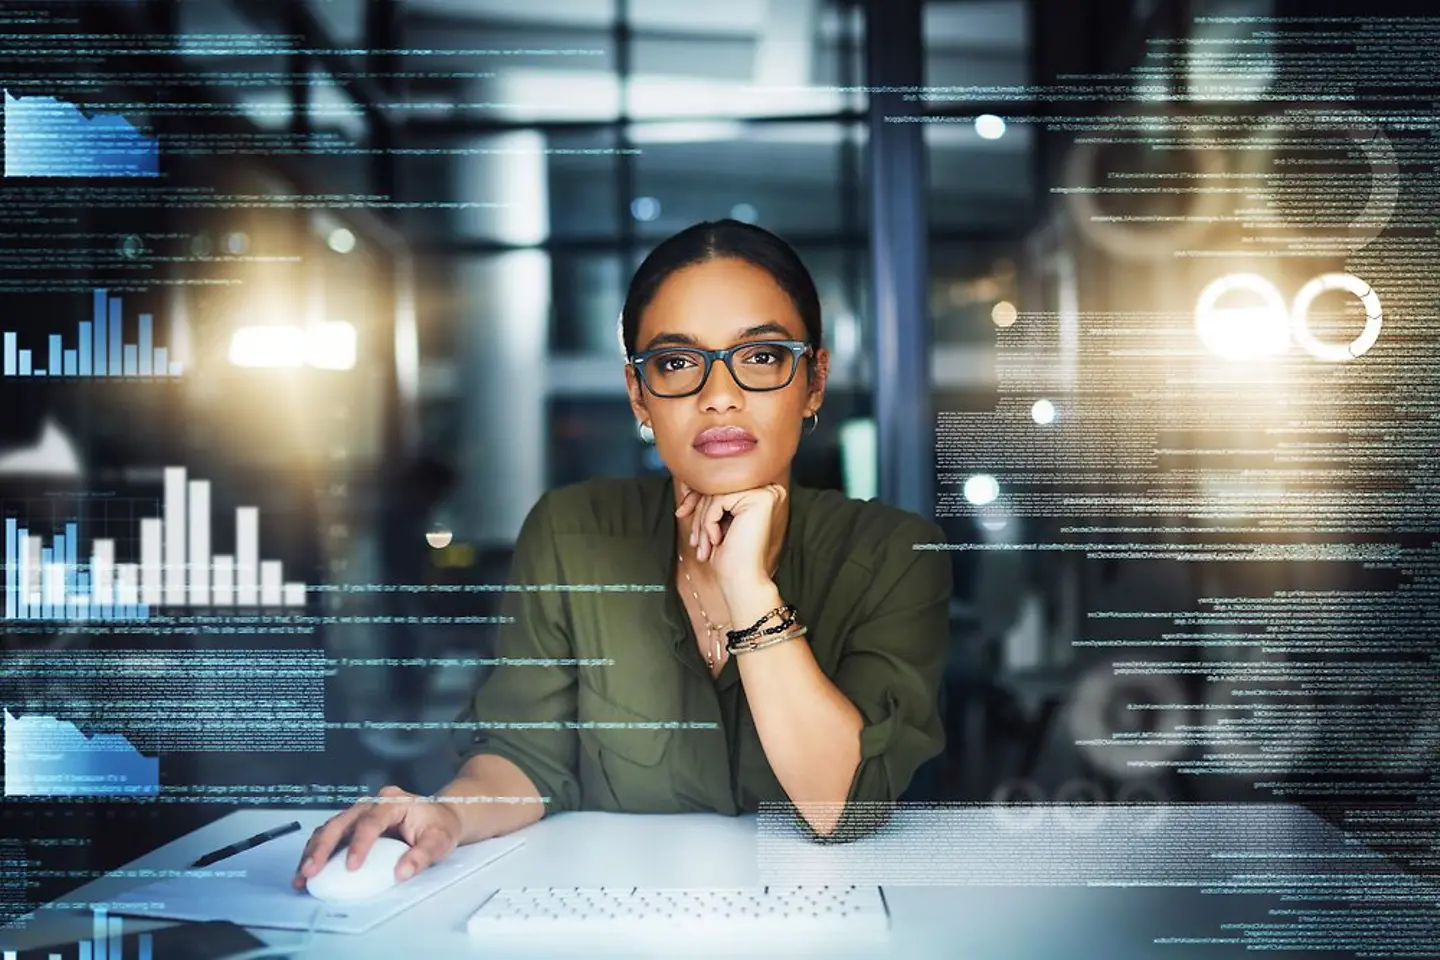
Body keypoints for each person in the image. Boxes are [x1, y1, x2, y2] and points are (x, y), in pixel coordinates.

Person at [294, 218, 952, 889]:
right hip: (616, 920)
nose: (718, 395)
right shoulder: (570, 531)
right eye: (675, 363)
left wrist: (749, 589)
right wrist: (450, 815)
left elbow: (843, 807)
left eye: (760, 357)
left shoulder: (896, 552)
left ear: (813, 381)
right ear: (639, 395)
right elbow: (527, 756)